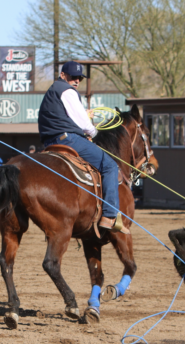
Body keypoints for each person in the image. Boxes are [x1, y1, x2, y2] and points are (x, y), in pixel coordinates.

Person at [38, 61, 123, 231]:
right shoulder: (67, 91)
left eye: (79, 78)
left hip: (50, 142)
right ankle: (110, 215)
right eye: (73, 77)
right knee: (110, 165)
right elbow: (83, 123)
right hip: (68, 140)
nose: (76, 81)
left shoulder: (53, 91)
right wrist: (93, 133)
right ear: (63, 75)